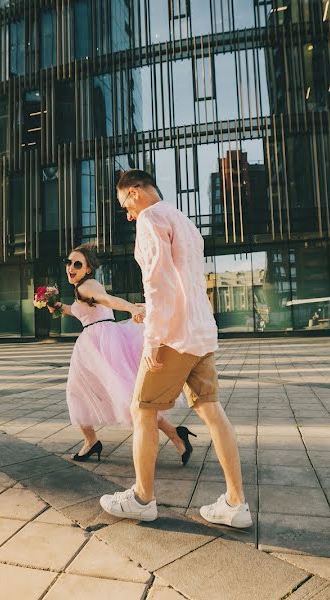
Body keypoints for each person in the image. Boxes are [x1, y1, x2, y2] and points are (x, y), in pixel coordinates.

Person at [99, 170, 252, 528]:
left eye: (125, 206)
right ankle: (235, 503)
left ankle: (142, 498)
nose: (128, 214)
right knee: (213, 413)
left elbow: (159, 282)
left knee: (142, 411)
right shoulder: (183, 219)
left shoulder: (151, 218)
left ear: (134, 192)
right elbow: (185, 282)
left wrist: (153, 337)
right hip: (199, 332)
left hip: (172, 338)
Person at [49, 244, 196, 465]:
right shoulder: (83, 288)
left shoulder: (86, 287)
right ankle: (174, 435)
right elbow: (82, 311)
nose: (71, 267)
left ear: (88, 268)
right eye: (69, 263)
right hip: (97, 343)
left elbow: (108, 301)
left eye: (77, 264)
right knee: (107, 394)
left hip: (100, 345)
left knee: (94, 394)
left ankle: (173, 434)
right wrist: (58, 306)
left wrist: (131, 308)